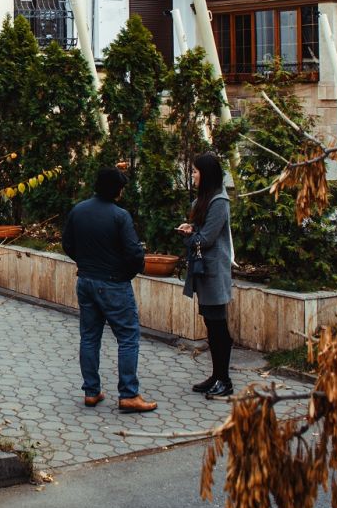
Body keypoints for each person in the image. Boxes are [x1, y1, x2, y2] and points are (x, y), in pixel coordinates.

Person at [62, 166, 156, 413]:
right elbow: (134, 253)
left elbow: (67, 244)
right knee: (127, 336)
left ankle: (91, 392)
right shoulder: (120, 216)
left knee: (90, 336)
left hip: (86, 281)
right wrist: (129, 272)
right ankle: (129, 394)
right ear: (117, 190)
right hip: (114, 283)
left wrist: (84, 262)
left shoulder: (78, 210)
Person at [178, 151, 235, 399]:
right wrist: (191, 229)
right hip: (203, 271)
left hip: (214, 271)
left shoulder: (219, 202)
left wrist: (190, 235)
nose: (193, 175)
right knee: (211, 325)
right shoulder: (204, 200)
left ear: (207, 174)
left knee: (218, 326)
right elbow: (201, 232)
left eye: (195, 171)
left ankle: (225, 379)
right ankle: (216, 375)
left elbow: (207, 239)